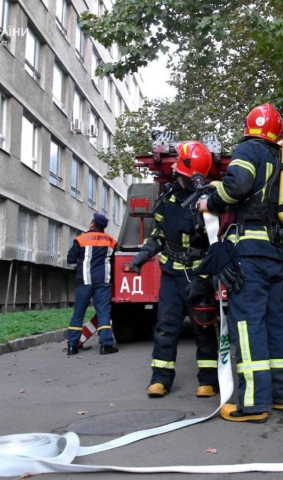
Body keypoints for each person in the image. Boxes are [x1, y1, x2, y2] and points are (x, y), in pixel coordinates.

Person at [197, 103, 283, 423]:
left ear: (249, 125)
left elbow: (237, 186)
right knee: (276, 323)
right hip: (274, 251)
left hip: (248, 250)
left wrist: (210, 202)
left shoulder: (248, 149)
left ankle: (253, 403)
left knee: (248, 323)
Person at [128, 141, 219, 399]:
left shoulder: (209, 201)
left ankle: (208, 381)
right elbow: (157, 235)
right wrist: (143, 255)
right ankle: (160, 379)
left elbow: (216, 241)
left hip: (198, 277)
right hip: (171, 275)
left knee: (203, 328)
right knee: (166, 327)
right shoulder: (167, 200)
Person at [66, 212, 118, 356]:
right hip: (103, 282)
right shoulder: (111, 241)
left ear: (92, 224)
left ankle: (72, 346)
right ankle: (106, 345)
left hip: (83, 281)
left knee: (78, 313)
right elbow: (114, 262)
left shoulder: (80, 239)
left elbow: (70, 260)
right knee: (103, 312)